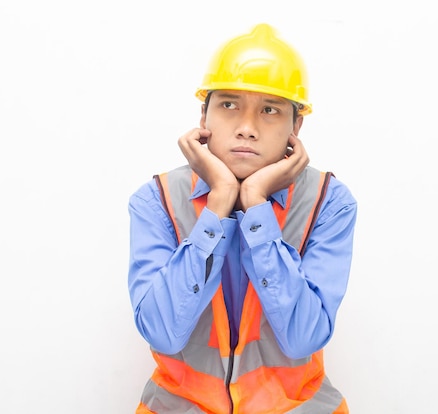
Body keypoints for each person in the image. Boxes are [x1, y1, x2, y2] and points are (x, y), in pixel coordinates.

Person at [127, 23, 357, 414]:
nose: (247, 129)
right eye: (229, 105)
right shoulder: (157, 200)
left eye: (270, 110)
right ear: (204, 115)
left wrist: (254, 204)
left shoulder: (328, 202)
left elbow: (304, 337)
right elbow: (163, 332)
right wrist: (218, 205)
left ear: (295, 127)